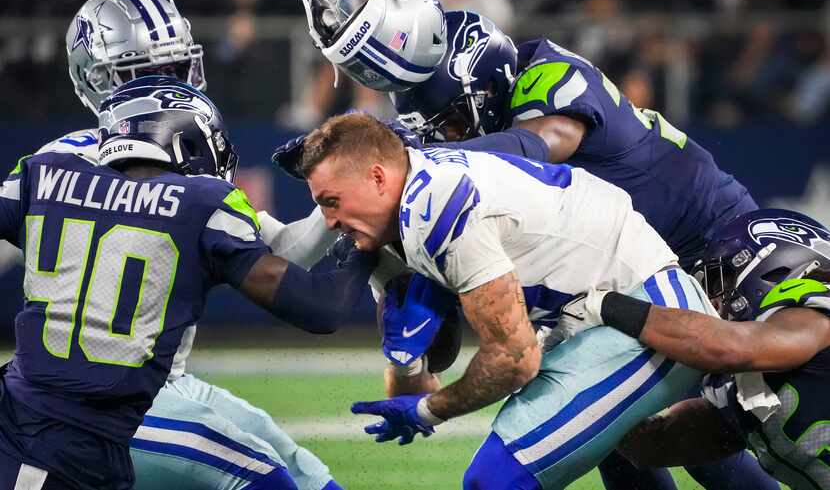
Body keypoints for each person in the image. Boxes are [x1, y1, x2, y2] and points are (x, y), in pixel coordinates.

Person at [298, 112, 715, 489]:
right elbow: (419, 369)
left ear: (377, 177)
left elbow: (514, 358)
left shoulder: (436, 204)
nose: (330, 222)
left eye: (331, 202)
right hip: (587, 318)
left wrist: (428, 410)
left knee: (495, 479)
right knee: (630, 455)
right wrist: (406, 360)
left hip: (645, 309)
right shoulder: (405, 213)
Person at [0, 77, 380, 489]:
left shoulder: (42, 172)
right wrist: (366, 246)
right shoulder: (200, 203)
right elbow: (320, 308)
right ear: (186, 141)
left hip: (19, 417)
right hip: (79, 446)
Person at [60, 0, 347, 490]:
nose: (167, 87)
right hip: (100, 393)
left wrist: (343, 202)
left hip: (165, 382)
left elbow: (275, 253)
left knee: (304, 472)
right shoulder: (77, 163)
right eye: (145, 73)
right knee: (265, 476)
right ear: (96, 80)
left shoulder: (166, 145)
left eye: (175, 69)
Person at [554, 207, 830, 489]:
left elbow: (732, 345)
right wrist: (590, 374)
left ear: (770, 262)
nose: (710, 301)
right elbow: (651, 446)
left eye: (719, 282)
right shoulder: (747, 391)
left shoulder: (816, 309)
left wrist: (606, 306)